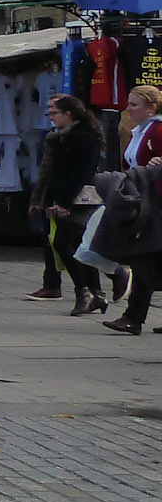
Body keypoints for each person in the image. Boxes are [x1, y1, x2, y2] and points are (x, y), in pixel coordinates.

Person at [32, 94, 107, 315]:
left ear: (68, 114)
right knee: (79, 246)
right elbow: (54, 173)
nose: (50, 116)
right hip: (67, 197)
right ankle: (95, 293)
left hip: (79, 200)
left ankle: (85, 291)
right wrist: (44, 200)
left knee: (65, 244)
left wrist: (64, 202)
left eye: (54, 112)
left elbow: (78, 174)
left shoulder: (82, 138)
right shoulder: (63, 136)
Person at [105, 85, 162, 334]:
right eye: (128, 103)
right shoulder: (139, 131)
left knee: (145, 259)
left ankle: (133, 317)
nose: (128, 108)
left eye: (134, 104)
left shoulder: (158, 131)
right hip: (144, 200)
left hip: (156, 203)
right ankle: (133, 317)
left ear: (152, 108)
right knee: (146, 259)